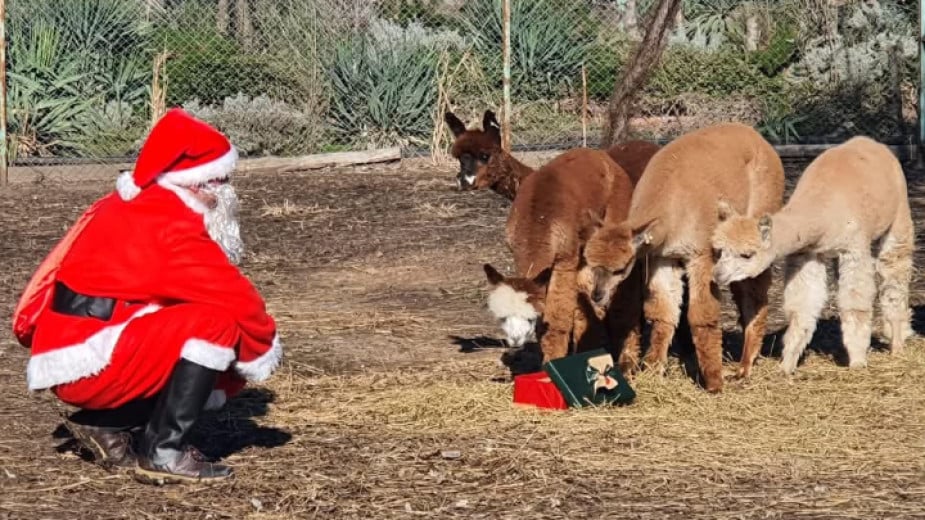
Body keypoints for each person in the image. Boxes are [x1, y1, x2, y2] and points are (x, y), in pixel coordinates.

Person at [11, 108, 283, 484]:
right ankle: (162, 452)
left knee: (191, 322)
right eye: (220, 182)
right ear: (197, 182)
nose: (225, 193)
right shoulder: (169, 223)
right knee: (214, 325)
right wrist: (262, 347)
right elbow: (234, 297)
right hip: (89, 354)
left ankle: (103, 424)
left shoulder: (138, 202)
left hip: (76, 341)